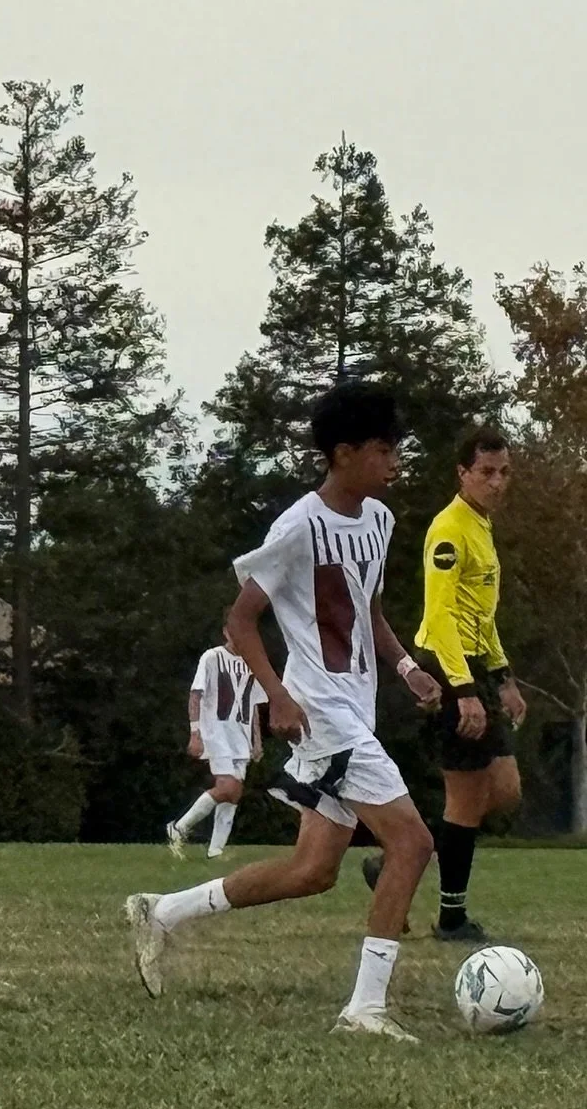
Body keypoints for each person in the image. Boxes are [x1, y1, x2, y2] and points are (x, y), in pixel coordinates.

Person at [126, 382, 442, 1041]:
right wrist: (277, 693)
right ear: (345, 452)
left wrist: (407, 668)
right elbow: (239, 620)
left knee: (313, 871)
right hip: (325, 714)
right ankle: (365, 1009)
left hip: (355, 711)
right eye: (384, 450)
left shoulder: (379, 522)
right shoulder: (300, 523)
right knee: (412, 842)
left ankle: (161, 911)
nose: (394, 462)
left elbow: (369, 612)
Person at [362, 428, 525, 943]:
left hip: (475, 667)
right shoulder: (450, 530)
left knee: (502, 791)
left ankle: (397, 859)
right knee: (467, 794)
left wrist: (504, 679)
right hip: (451, 667)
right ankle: (451, 917)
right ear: (462, 473)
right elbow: (442, 614)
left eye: (503, 473)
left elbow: (481, 615)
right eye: (486, 473)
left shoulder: (482, 526)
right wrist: (465, 689)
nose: (497, 483)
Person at [166, 615, 266, 860]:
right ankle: (179, 827)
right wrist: (195, 732)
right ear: (226, 632)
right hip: (217, 732)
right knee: (227, 787)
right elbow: (196, 695)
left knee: (234, 794)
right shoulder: (212, 657)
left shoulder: (252, 663)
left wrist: (257, 740)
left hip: (240, 737)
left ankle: (215, 850)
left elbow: (252, 705)